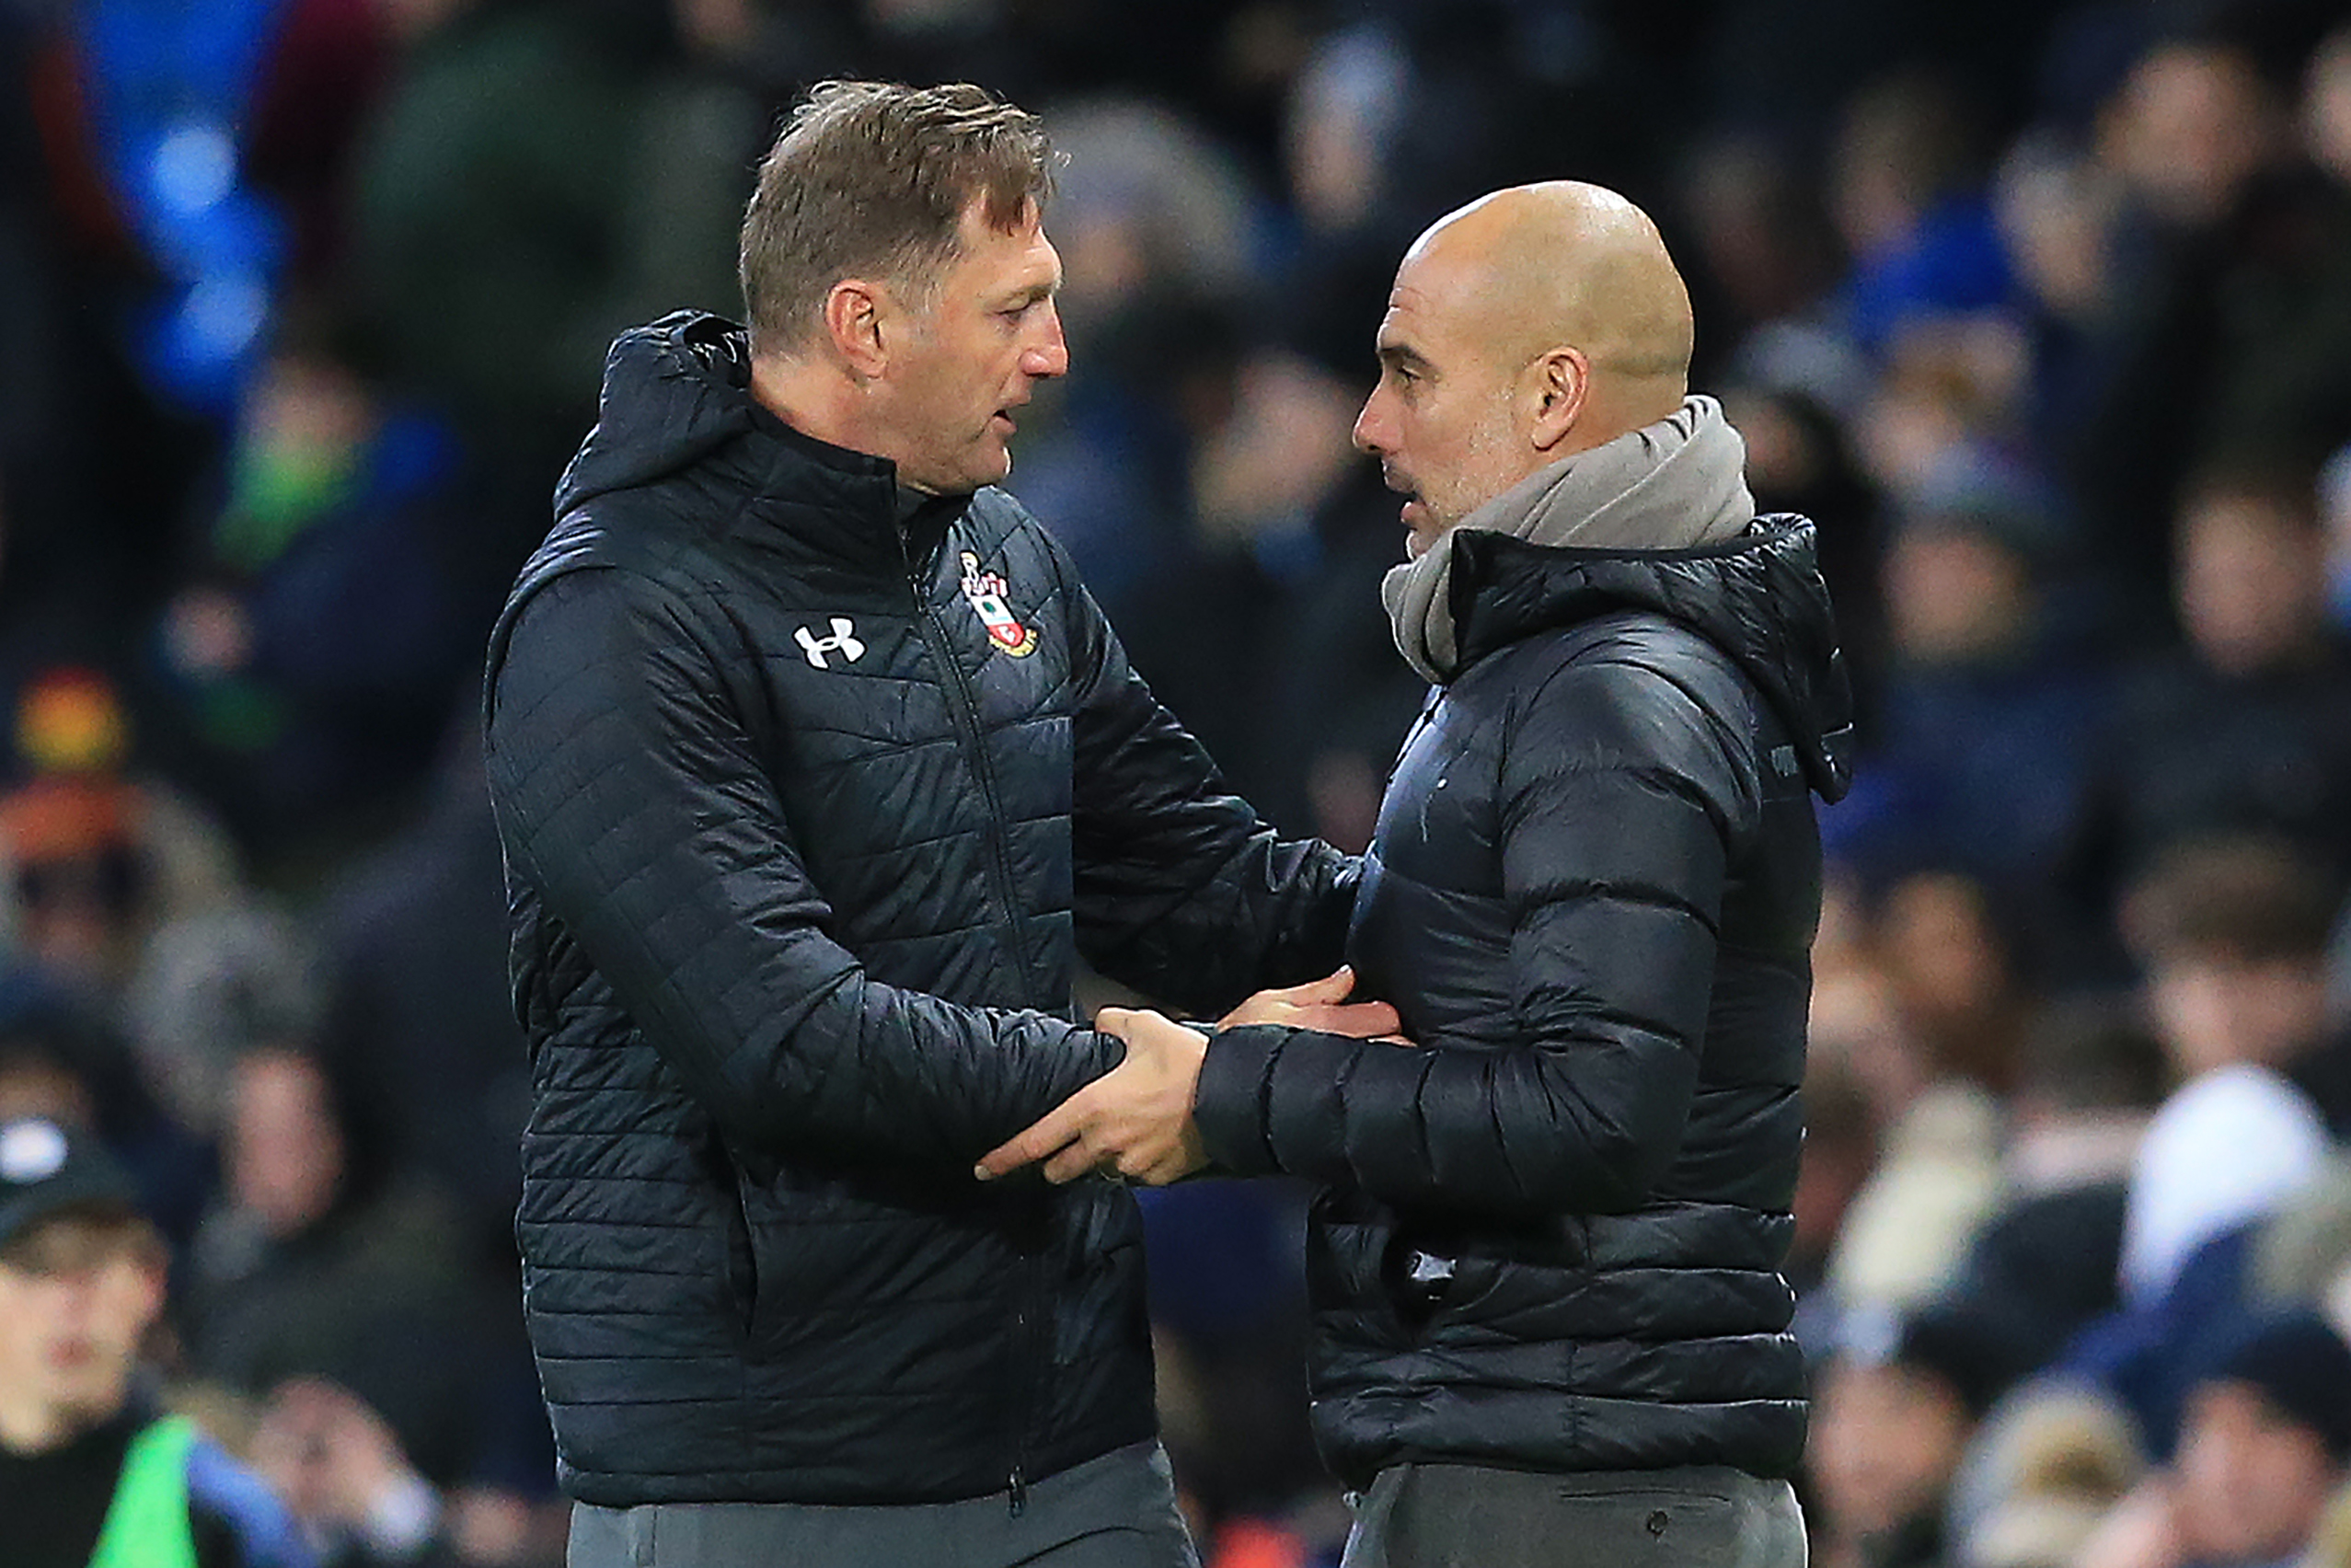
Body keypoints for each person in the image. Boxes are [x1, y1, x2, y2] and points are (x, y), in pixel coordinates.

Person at [478, 79, 1392, 1568]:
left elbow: (1206, 882)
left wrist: (1515, 888)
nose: (1057, 350)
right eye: (1015, 307)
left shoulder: (1003, 554)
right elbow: (789, 1040)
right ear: (865, 324)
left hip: (1074, 1442)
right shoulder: (619, 613)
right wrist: (1194, 1080)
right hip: (768, 1471)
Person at [982, 180, 1855, 1567]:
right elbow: (1421, 958)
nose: (1366, 424)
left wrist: (1225, 1092)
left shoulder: (1610, 689)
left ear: (1552, 395)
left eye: (1406, 373)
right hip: (1546, 1463)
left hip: (1570, 1491)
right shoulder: (1559, 657)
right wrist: (1052, 739)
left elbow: (1591, 1107)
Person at [0, 1113, 312, 1567]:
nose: (66, 1303)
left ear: (150, 1284)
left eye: (93, 1264)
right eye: (32, 1268)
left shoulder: (216, 1506)